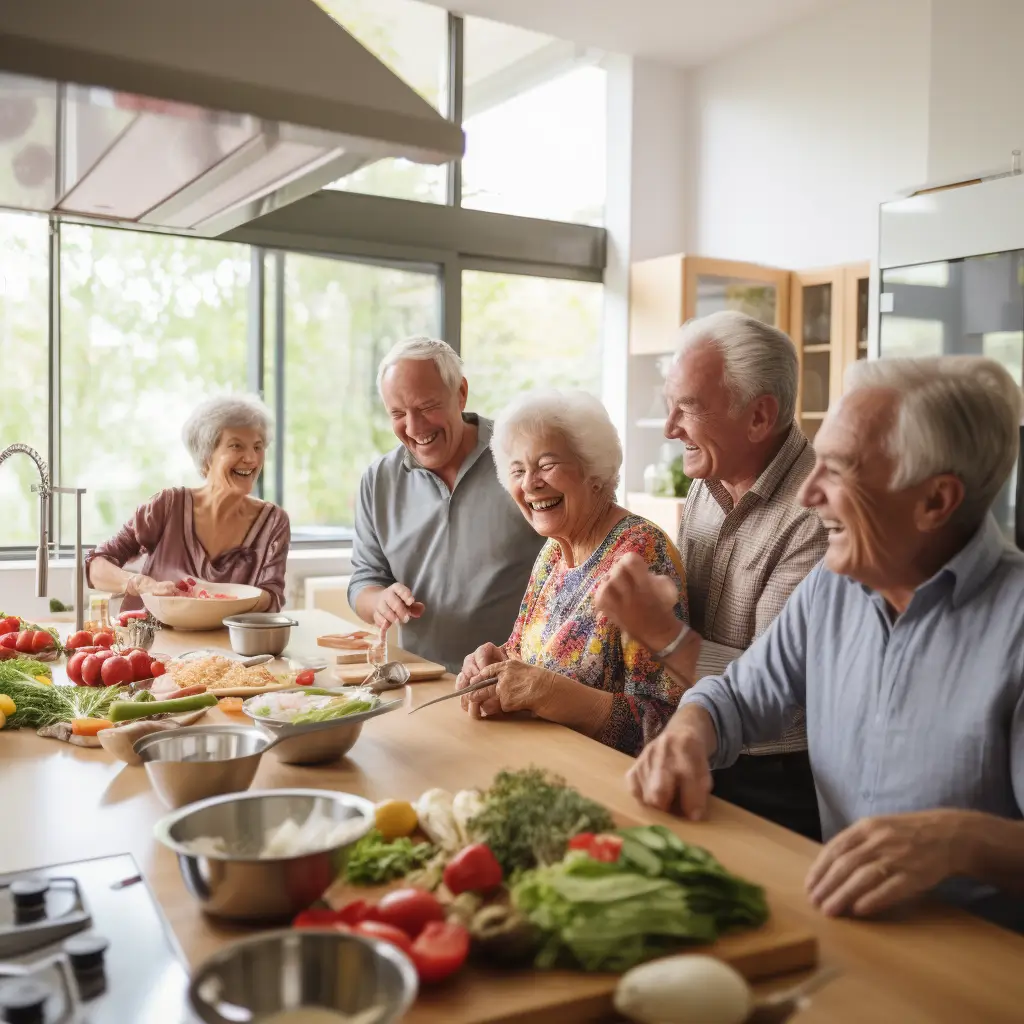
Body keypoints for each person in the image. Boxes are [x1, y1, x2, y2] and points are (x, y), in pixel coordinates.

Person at [623, 356, 1024, 930]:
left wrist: (963, 840)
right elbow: (737, 698)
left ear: (936, 501)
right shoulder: (832, 586)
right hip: (848, 933)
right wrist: (689, 731)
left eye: (838, 470)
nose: (808, 493)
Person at [623, 311, 827, 838]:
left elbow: (779, 694)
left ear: (759, 417)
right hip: (693, 742)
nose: (670, 430)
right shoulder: (704, 484)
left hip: (775, 776)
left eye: (687, 410)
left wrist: (660, 632)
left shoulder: (817, 516)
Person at [456, 389, 694, 757]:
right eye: (518, 470)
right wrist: (497, 663)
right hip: (541, 762)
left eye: (547, 464)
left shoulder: (640, 554)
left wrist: (554, 696)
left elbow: (666, 722)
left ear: (593, 471)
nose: (531, 483)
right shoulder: (552, 554)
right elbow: (528, 658)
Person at [348, 337, 544, 672]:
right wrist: (379, 601)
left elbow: (577, 556)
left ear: (461, 393)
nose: (414, 427)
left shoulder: (521, 457)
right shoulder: (378, 481)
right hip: (422, 681)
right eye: (398, 413)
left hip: (520, 681)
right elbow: (364, 579)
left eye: (426, 407)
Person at [87, 395, 290, 612]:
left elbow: (272, 598)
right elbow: (96, 565)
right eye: (236, 446)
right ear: (207, 456)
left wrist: (226, 601)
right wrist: (141, 583)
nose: (251, 458)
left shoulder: (274, 522)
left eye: (258, 447)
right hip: (152, 641)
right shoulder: (166, 506)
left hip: (228, 644)